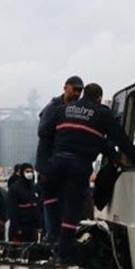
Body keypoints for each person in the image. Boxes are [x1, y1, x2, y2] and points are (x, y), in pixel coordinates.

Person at [38, 82, 135, 262]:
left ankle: (52, 235)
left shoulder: (64, 109)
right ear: (99, 98)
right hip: (78, 166)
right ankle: (63, 252)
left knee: (49, 194)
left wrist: (44, 164)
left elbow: (45, 132)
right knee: (72, 208)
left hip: (56, 162)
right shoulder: (102, 114)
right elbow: (119, 139)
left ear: (83, 94)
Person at [36, 76, 84, 235]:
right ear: (65, 88)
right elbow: (42, 132)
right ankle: (51, 237)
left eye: (80, 90)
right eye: (74, 89)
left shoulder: (76, 109)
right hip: (49, 163)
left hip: (65, 164)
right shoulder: (54, 107)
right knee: (50, 203)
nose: (77, 93)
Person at [7, 163, 42, 242]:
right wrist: (17, 228)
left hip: (32, 227)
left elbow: (37, 208)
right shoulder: (14, 189)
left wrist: (39, 224)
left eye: (31, 171)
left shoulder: (33, 188)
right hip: (19, 227)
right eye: (27, 171)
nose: (29, 174)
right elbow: (12, 210)